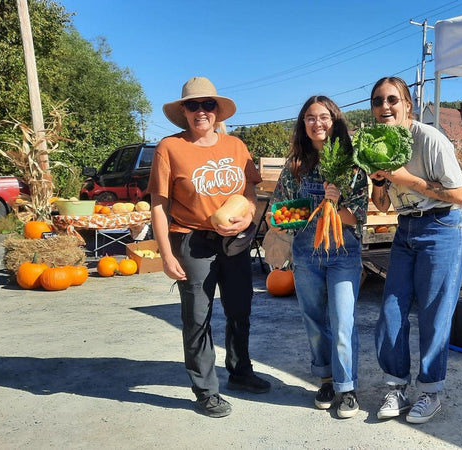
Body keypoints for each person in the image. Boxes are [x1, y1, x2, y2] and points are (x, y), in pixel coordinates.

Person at [147, 76, 271, 418]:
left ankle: (240, 371)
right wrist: (166, 253)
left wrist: (247, 217)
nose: (201, 112)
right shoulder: (169, 147)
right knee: (197, 317)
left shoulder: (236, 146)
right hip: (192, 240)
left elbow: (250, 192)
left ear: (217, 110)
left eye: (208, 105)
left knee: (239, 308)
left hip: (235, 240)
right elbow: (158, 204)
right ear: (183, 111)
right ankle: (205, 389)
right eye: (193, 105)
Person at [368, 76, 462, 424]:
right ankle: (396, 386)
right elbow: (381, 205)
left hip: (443, 225)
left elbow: (459, 195)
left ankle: (430, 392)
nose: (385, 107)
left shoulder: (430, 139)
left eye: (392, 99)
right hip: (406, 226)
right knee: (391, 311)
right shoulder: (378, 143)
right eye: (378, 101)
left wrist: (401, 177)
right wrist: (380, 180)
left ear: (407, 104)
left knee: (433, 312)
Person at [267, 95, 368, 419]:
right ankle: (326, 379)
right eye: (310, 118)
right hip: (306, 253)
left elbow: (358, 215)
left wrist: (334, 204)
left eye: (323, 117)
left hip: (342, 251)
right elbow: (279, 210)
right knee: (314, 320)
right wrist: (285, 216)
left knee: (342, 320)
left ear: (334, 121)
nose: (317, 123)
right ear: (303, 125)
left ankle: (346, 387)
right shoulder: (295, 165)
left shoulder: (353, 165)